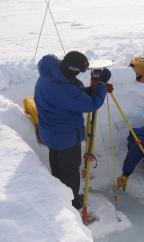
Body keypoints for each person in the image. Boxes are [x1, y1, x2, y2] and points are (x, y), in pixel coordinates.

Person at [34, 51, 111, 210]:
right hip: (66, 138)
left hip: (50, 134)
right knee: (69, 172)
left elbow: (69, 96)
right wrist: (101, 85)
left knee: (57, 166)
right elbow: (91, 104)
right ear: (73, 70)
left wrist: (89, 90)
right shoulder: (65, 89)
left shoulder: (47, 77)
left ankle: (58, 196)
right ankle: (72, 203)